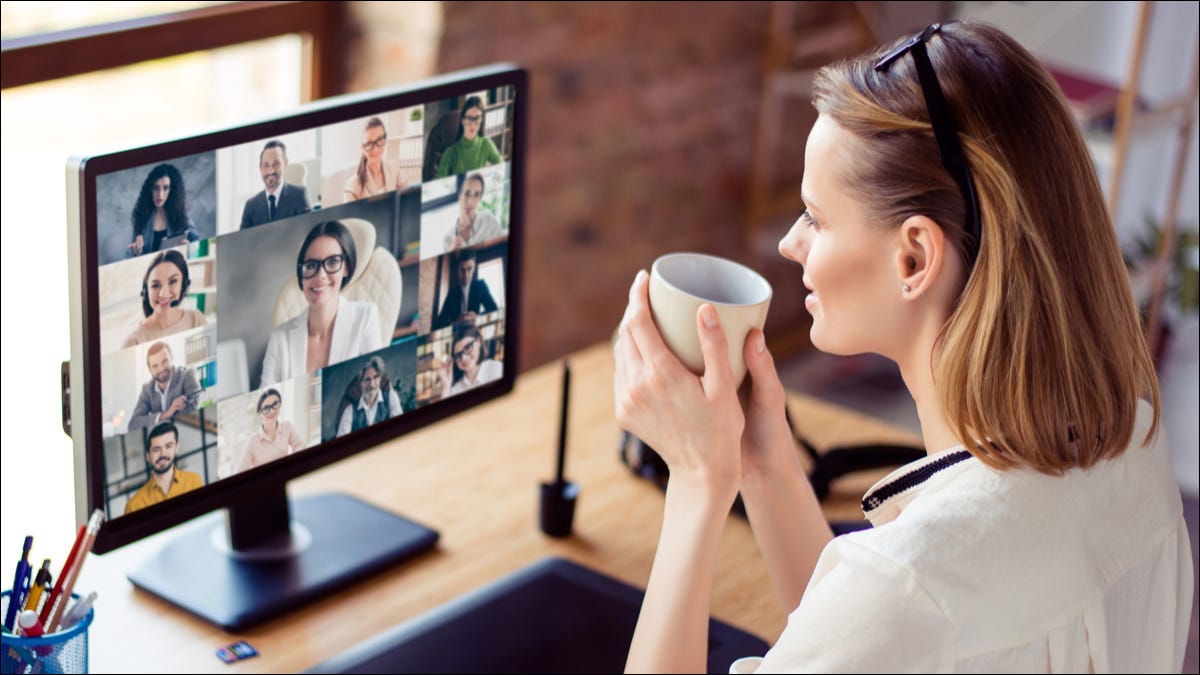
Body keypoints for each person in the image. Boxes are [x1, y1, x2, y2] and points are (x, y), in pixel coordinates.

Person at [614, 21, 1192, 673]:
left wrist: (697, 482)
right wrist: (765, 460)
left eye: (817, 217)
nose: (791, 244)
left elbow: (895, 614)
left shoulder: (911, 588)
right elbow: (880, 642)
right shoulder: (1135, 446)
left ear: (913, 256)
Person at [261, 221, 382, 387]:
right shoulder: (279, 338)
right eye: (311, 266)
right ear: (301, 275)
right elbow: (265, 401)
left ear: (346, 267)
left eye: (332, 262)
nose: (320, 276)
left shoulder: (366, 317)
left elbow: (376, 389)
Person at [122, 249, 207, 347]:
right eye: (155, 285)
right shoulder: (134, 341)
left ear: (183, 285)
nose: (163, 294)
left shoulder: (196, 319)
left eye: (173, 281)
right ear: (146, 292)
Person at [123, 421, 203, 514]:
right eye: (156, 449)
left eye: (168, 446)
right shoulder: (134, 506)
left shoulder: (193, 481)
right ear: (148, 456)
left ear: (176, 448)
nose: (163, 454)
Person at [126, 162, 199, 258]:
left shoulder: (180, 212)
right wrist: (138, 252)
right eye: (156, 188)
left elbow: (196, 243)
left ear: (172, 190)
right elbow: (135, 255)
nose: (160, 194)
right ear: (150, 189)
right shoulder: (142, 215)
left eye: (165, 188)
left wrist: (188, 249)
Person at [128, 342, 204, 433]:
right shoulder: (147, 389)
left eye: (165, 361)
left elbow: (195, 410)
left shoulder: (188, 375)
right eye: (155, 366)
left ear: (171, 358)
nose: (161, 369)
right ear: (150, 369)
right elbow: (133, 424)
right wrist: (165, 415)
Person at [239, 139, 313, 229]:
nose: (271, 171)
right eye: (266, 165)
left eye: (276, 164)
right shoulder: (251, 206)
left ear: (285, 163)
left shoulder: (300, 195)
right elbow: (242, 241)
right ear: (260, 168)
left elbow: (310, 231)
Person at [235, 388, 306, 472]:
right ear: (260, 414)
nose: (272, 411)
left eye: (275, 404)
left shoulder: (287, 426)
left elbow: (300, 445)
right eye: (266, 408)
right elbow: (240, 471)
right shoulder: (253, 441)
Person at [434, 96, 501, 179]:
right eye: (469, 118)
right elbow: (438, 183)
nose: (473, 124)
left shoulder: (486, 144)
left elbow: (502, 169)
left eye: (477, 118)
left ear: (481, 120)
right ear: (463, 120)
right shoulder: (450, 153)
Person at [336, 355, 403, 437]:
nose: (372, 384)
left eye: (376, 377)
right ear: (361, 383)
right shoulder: (349, 411)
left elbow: (399, 430)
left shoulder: (391, 397)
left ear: (380, 378)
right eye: (367, 379)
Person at [432, 247, 498, 331]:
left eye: (469, 269)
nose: (466, 275)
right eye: (462, 270)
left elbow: (494, 310)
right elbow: (438, 324)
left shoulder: (481, 286)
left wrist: (478, 317)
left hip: (475, 331)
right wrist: (455, 322)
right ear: (457, 270)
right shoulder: (452, 294)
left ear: (474, 268)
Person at [343, 116, 406, 201]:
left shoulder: (394, 168)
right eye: (369, 144)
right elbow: (349, 213)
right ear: (362, 148)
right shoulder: (352, 186)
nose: (376, 149)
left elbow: (408, 197)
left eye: (380, 139)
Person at [443, 172, 504, 253]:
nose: (470, 201)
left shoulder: (489, 221)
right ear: (459, 197)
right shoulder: (448, 239)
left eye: (476, 195)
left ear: (479, 199)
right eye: (467, 194)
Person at [438, 322, 502, 397]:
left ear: (479, 342)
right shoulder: (455, 390)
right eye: (458, 355)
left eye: (467, 348)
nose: (464, 358)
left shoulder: (496, 369)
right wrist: (446, 385)